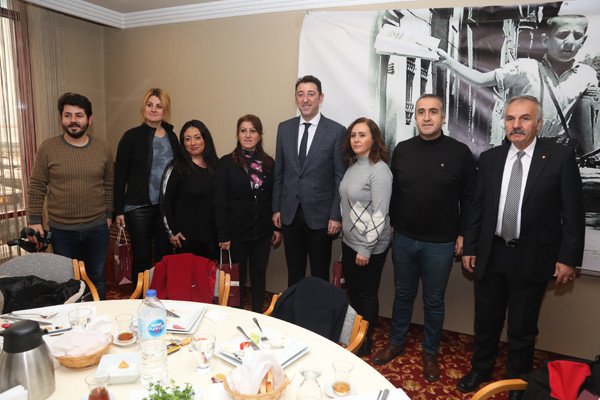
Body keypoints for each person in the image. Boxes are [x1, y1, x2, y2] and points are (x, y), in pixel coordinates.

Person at [457, 95, 584, 399]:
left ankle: (517, 381)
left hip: (533, 255)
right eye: (511, 118)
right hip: (492, 252)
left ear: (538, 123)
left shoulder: (559, 157)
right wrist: (470, 246)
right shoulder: (490, 159)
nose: (516, 125)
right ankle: (480, 370)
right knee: (486, 320)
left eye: (524, 118)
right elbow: (477, 207)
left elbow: (573, 213)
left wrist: (568, 258)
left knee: (522, 327)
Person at [372, 94, 476, 384]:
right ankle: (396, 342)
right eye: (421, 112)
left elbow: (470, 198)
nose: (427, 117)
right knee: (403, 295)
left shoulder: (460, 152)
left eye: (433, 112)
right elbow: (394, 193)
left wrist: (464, 234)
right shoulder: (403, 150)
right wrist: (392, 225)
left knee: (433, 301)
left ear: (443, 117)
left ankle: (430, 352)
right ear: (415, 117)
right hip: (404, 238)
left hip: (441, 243)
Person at [437, 15, 598, 147]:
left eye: (577, 36)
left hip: (557, 150)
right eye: (562, 35)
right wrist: (448, 62)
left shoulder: (587, 76)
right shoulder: (523, 68)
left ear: (583, 41)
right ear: (545, 40)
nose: (570, 42)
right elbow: (480, 80)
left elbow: (590, 118)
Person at [27, 92, 113, 299]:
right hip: (62, 231)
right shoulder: (48, 148)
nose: (73, 120)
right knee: (66, 282)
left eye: (79, 115)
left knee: (97, 278)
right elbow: (37, 185)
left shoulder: (102, 148)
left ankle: (99, 316)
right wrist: (34, 220)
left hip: (97, 229)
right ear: (61, 118)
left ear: (89, 119)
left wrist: (109, 215)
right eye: (68, 115)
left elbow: (109, 184)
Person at [272, 75, 346, 287]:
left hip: (321, 218)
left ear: (320, 98)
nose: (305, 99)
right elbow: (279, 172)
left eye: (311, 94)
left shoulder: (336, 131)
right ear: (296, 97)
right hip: (290, 214)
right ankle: (294, 308)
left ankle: (318, 310)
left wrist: (335, 215)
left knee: (319, 275)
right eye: (300, 94)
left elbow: (339, 177)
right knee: (294, 274)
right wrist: (276, 208)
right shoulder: (284, 128)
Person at [215, 115, 281, 312]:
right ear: (238, 134)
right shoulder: (226, 163)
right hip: (236, 233)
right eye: (243, 130)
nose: (248, 135)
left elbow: (274, 197)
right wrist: (223, 234)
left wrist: (276, 228)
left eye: (252, 131)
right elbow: (219, 201)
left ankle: (257, 313)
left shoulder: (269, 163)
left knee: (259, 274)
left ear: (259, 135)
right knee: (238, 277)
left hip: (262, 231)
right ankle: (237, 314)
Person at [114, 88, 179, 289]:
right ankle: (140, 300)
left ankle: (160, 298)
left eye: (158, 106)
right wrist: (118, 210)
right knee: (142, 257)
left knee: (164, 257)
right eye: (150, 105)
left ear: (165, 110)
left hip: (164, 209)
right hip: (138, 207)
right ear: (143, 108)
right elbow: (120, 176)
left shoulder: (172, 137)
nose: (153, 109)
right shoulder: (131, 137)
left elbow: (178, 173)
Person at [339, 117, 392, 357]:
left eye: (362, 135)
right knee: (355, 292)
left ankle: (365, 341)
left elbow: (380, 214)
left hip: (368, 246)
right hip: (350, 242)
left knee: (366, 294)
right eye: (353, 135)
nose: (356, 140)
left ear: (374, 139)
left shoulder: (379, 170)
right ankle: (356, 334)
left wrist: (366, 248)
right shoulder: (353, 164)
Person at [160, 120, 219, 259]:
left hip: (212, 238)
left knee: (211, 273)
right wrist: (172, 231)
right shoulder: (176, 166)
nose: (193, 143)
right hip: (186, 240)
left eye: (197, 137)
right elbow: (165, 201)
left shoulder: (217, 165)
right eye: (187, 139)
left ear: (205, 139)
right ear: (183, 143)